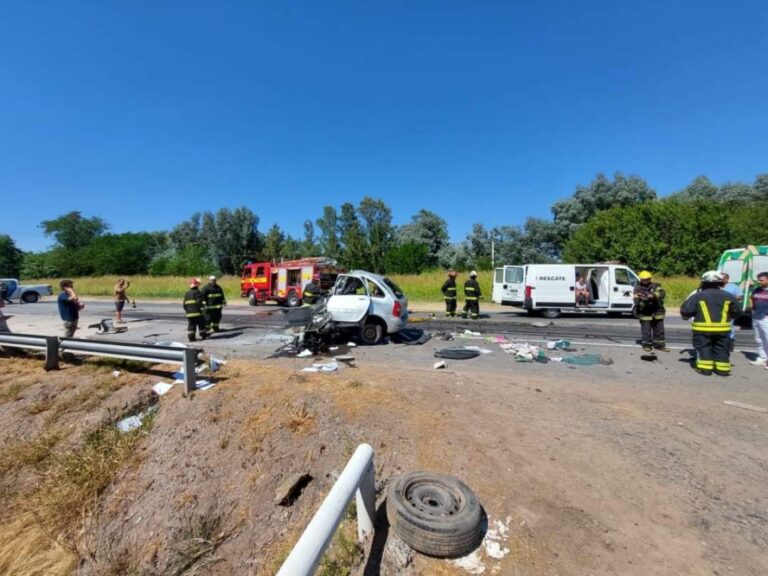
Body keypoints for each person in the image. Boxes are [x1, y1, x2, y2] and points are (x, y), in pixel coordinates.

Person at [680, 271, 740, 376]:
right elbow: (738, 312)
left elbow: (686, 311)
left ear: (704, 282)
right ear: (720, 282)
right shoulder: (729, 296)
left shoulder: (698, 296)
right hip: (723, 330)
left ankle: (705, 369)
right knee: (721, 349)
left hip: (702, 330)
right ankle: (723, 370)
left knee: (704, 348)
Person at [632, 270, 668, 352]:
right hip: (645, 313)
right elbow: (636, 301)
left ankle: (659, 345)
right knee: (646, 330)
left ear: (650, 278)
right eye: (644, 279)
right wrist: (644, 300)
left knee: (659, 330)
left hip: (658, 311)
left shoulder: (655, 285)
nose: (646, 280)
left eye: (647, 279)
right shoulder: (637, 288)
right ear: (641, 279)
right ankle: (647, 345)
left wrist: (653, 295)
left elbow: (662, 293)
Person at [719, 272, 743, 352]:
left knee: (729, 326)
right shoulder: (717, 287)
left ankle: (730, 342)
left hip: (729, 310)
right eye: (719, 278)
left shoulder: (733, 287)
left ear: (727, 279)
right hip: (718, 309)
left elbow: (740, 297)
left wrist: (730, 299)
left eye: (722, 279)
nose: (721, 280)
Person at [749, 271, 768, 367]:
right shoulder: (757, 290)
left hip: (766, 318)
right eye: (759, 280)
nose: (760, 282)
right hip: (757, 317)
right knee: (759, 339)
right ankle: (762, 357)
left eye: (762, 280)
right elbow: (751, 298)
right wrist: (752, 308)